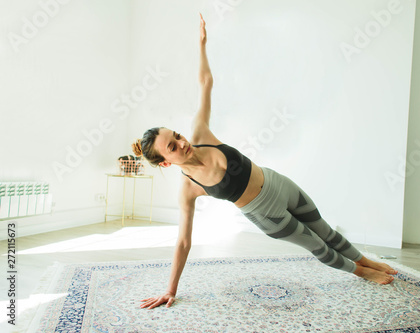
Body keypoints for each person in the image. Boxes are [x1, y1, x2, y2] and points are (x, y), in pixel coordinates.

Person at [136, 13, 397, 310]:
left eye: (178, 135)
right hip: (266, 214)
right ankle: (361, 271)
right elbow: (183, 242)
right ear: (167, 162)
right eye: (173, 146)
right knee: (317, 245)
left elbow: (206, 82)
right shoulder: (189, 188)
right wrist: (170, 289)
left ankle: (366, 260)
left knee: (326, 230)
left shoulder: (201, 133)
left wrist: (202, 45)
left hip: (278, 184)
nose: (182, 142)